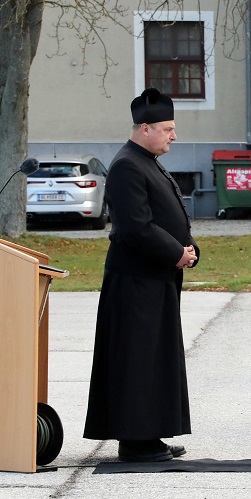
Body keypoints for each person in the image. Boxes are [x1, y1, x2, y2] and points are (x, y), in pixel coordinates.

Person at [84, 88, 200, 461]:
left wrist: (190, 248)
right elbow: (135, 227)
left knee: (154, 360)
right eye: (167, 128)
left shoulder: (146, 159)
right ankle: (135, 441)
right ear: (145, 128)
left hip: (155, 280)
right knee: (137, 361)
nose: (174, 135)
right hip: (135, 283)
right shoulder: (127, 165)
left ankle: (150, 435)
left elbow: (165, 215)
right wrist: (175, 252)